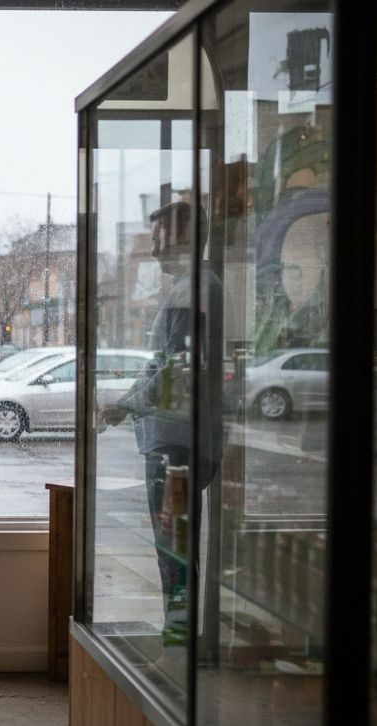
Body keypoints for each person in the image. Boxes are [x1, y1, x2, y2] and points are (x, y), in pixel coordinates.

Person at [100, 200, 223, 658]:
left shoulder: (194, 292)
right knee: (174, 545)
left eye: (157, 240)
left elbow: (172, 369)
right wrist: (128, 402)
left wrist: (123, 405)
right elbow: (163, 365)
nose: (152, 251)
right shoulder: (192, 289)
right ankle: (180, 637)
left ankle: (179, 642)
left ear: (181, 237)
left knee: (173, 549)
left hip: (178, 445)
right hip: (178, 440)